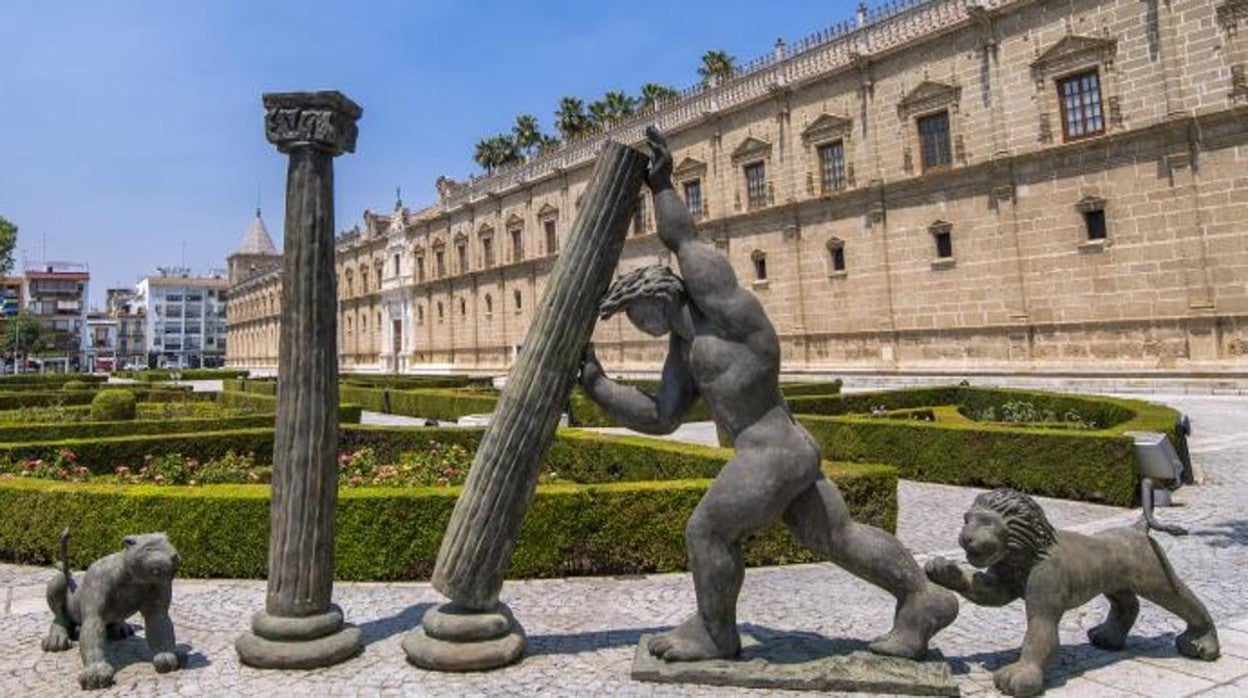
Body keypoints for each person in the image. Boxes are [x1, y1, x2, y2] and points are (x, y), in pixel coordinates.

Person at [579, 127, 957, 662]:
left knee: (707, 532)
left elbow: (684, 241)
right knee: (838, 537)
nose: (639, 327)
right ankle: (922, 598)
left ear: (657, 297)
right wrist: (598, 384)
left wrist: (662, 186)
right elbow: (662, 416)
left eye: (636, 315)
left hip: (769, 452)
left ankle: (716, 633)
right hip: (786, 449)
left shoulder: (728, 313)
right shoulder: (685, 351)